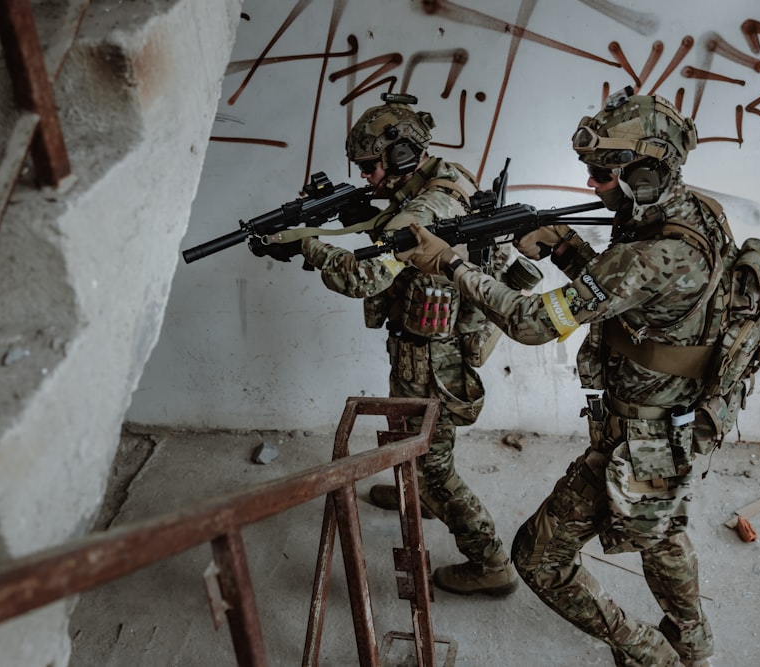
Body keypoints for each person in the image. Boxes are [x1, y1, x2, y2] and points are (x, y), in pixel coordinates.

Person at [398, 87, 718, 665]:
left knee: (537, 558)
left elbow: (533, 322)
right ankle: (694, 640)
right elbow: (633, 299)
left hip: (638, 442)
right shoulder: (693, 217)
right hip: (674, 428)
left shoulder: (652, 253)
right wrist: (567, 250)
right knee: (661, 534)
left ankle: (651, 652)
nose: (592, 185)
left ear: (647, 173)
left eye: (603, 173)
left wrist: (450, 262)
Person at [291, 93, 539, 597]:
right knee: (413, 440)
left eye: (370, 166)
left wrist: (305, 243)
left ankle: (490, 560)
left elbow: (364, 277)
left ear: (402, 155)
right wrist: (364, 213)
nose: (366, 177)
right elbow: (399, 223)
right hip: (425, 341)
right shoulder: (440, 174)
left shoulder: (428, 205)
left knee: (432, 463)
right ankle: (420, 495)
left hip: (433, 354)